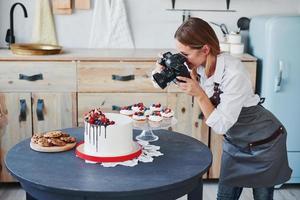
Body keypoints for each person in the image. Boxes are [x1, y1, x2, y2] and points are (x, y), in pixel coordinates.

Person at [152, 17, 292, 200]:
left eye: (185, 54)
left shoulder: (234, 73)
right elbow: (159, 83)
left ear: (205, 49)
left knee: (262, 197)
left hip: (265, 143)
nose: (181, 59)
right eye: (178, 53)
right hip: (236, 143)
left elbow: (220, 126)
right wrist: (160, 70)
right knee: (224, 197)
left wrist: (200, 94)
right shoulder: (196, 65)